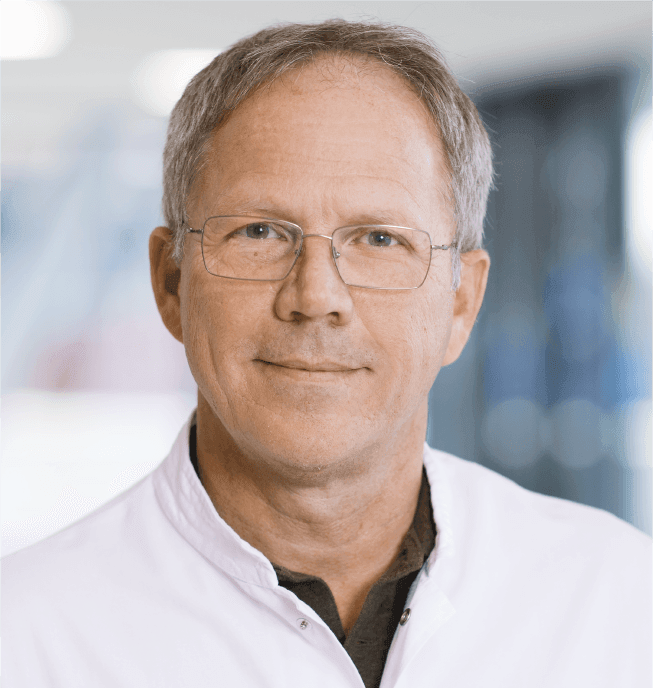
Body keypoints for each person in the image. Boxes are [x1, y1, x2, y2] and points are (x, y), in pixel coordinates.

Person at [4, 19, 650, 688]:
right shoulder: (22, 639)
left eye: (377, 240)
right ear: (172, 283)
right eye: (258, 232)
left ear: (461, 304)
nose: (315, 296)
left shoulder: (620, 602)